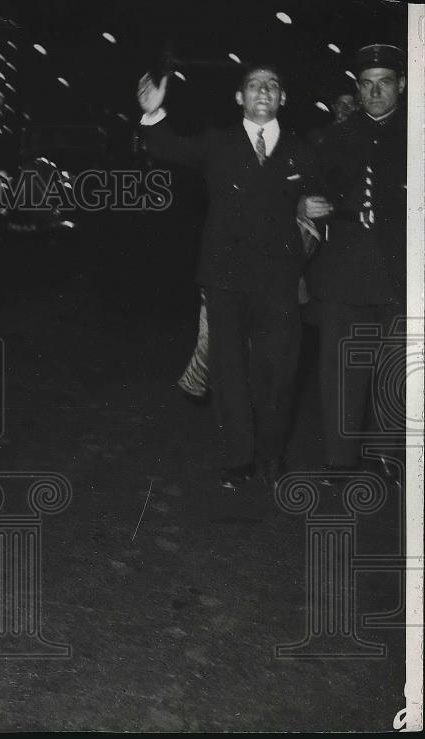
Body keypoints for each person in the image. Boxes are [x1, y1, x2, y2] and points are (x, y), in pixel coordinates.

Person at [137, 64, 318, 491]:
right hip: (225, 276)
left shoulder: (301, 150)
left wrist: (314, 211)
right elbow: (167, 147)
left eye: (272, 85)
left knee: (279, 371)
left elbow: (326, 200)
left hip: (279, 279)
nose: (263, 91)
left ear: (282, 98)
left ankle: (272, 454)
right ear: (239, 97)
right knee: (230, 371)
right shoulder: (218, 143)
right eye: (254, 85)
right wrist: (152, 113)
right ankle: (240, 459)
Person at [304, 44, 407, 484]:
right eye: (366, 85)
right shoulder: (336, 136)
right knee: (341, 366)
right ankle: (339, 459)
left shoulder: (418, 133)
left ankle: (388, 456)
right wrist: (305, 203)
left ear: (401, 84)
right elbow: (309, 186)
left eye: (384, 83)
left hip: (400, 266)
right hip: (344, 267)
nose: (375, 92)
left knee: (395, 364)